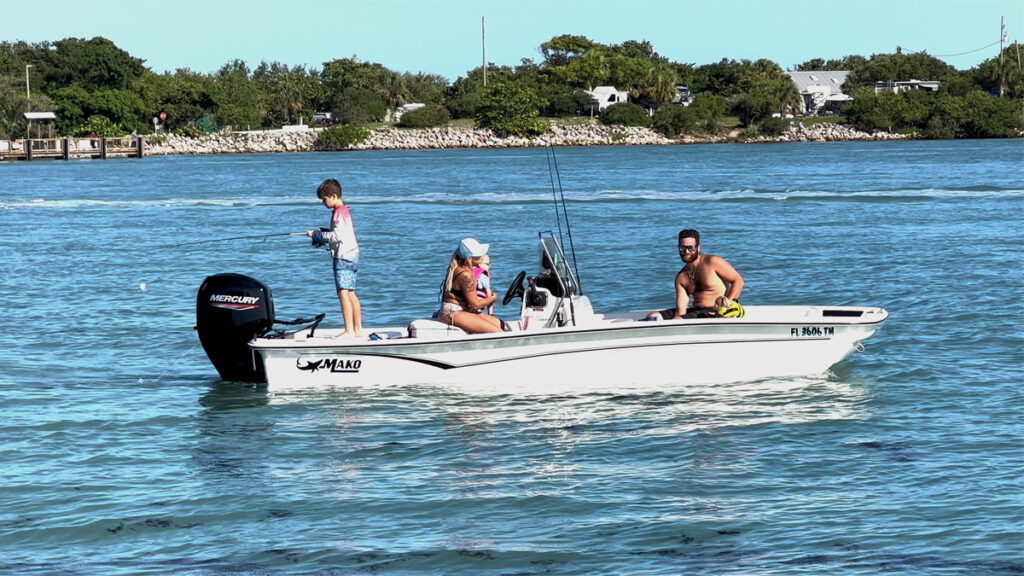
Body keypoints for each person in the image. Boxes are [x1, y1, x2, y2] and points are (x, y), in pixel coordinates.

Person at [306, 178, 363, 338]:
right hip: (353, 255)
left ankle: (349, 331)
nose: (323, 203)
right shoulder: (344, 211)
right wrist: (322, 233)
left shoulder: (338, 213)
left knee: (343, 293)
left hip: (343, 257)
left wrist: (316, 235)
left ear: (333, 195)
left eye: (324, 199)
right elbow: (340, 233)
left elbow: (336, 236)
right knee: (351, 292)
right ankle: (357, 329)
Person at [647, 229, 744, 320]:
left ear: (698, 248)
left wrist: (728, 305)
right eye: (682, 248)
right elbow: (681, 310)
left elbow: (738, 281)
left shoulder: (712, 262)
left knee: (685, 318)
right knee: (653, 316)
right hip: (697, 312)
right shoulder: (681, 277)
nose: (686, 252)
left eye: (691, 248)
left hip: (715, 311)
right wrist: (677, 318)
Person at [438, 238, 504, 333]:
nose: (483, 256)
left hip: (461, 310)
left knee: (500, 324)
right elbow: (476, 305)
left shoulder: (459, 268)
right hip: (452, 312)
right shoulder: (466, 275)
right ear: (469, 258)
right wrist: (493, 298)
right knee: (497, 333)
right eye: (479, 255)